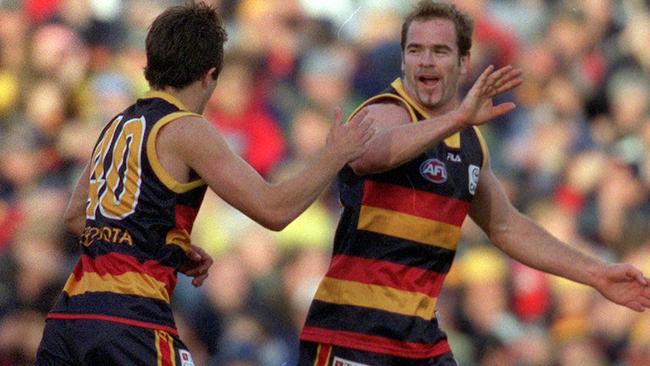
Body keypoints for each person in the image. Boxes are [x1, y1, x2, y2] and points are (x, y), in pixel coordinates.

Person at [298, 1, 650, 365]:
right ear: (403, 61)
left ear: (464, 63)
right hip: (354, 333)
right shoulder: (385, 109)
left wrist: (596, 273)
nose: (426, 61)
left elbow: (505, 225)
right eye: (415, 50)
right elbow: (367, 153)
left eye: (440, 51)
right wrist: (455, 119)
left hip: (419, 340)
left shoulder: (469, 143)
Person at [35, 2, 374, 365]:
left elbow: (75, 215)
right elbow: (275, 209)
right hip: (131, 321)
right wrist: (335, 154)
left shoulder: (117, 125)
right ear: (210, 74)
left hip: (69, 319)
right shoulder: (186, 129)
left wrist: (167, 249)